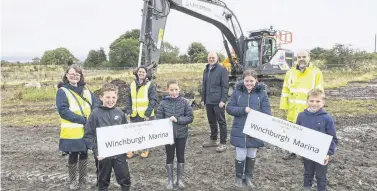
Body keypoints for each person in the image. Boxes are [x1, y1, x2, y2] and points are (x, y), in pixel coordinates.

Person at [226, 69, 271, 188]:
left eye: (252, 81)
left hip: (255, 130)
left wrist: (257, 115)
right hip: (239, 129)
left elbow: (267, 112)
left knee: (251, 154)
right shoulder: (237, 92)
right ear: (243, 80)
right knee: (240, 155)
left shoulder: (262, 94)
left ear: (256, 80)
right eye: (247, 81)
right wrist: (243, 110)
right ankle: (238, 177)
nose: (249, 83)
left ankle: (249, 177)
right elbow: (229, 108)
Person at [55, 65, 98, 190]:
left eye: (77, 75)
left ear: (81, 76)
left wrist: (91, 119)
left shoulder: (86, 90)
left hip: (86, 130)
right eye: (72, 74)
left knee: (84, 154)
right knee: (73, 155)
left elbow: (95, 104)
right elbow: (63, 111)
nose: (75, 76)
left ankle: (83, 180)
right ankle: (73, 181)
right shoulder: (62, 91)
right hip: (72, 131)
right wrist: (83, 120)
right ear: (67, 76)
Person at [84, 83, 131, 191]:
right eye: (107, 97)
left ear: (117, 97)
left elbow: (126, 132)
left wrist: (128, 146)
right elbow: (88, 135)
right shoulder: (95, 114)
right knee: (103, 181)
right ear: (101, 97)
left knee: (125, 179)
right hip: (103, 156)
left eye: (113, 97)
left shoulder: (119, 113)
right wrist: (97, 151)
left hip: (119, 154)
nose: (111, 100)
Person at [280, 49, 324, 160]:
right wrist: (284, 106)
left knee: (308, 132)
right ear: (296, 59)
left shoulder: (316, 72)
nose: (301, 59)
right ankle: (292, 152)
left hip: (308, 110)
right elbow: (285, 90)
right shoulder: (290, 72)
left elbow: (319, 92)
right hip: (293, 110)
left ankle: (307, 154)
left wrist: (316, 108)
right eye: (299, 57)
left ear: (309, 57)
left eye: (304, 57)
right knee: (292, 132)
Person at [296, 88, 338, 191]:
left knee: (321, 176)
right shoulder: (301, 116)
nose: (314, 104)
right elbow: (296, 132)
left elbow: (333, 138)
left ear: (323, 102)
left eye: (318, 101)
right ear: (307, 101)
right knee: (308, 173)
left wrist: (328, 153)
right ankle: (307, 188)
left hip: (321, 154)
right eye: (311, 101)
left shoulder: (327, 118)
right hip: (307, 151)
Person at [156, 80, 194, 190]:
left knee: (181, 156)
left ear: (179, 89)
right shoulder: (163, 103)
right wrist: (166, 121)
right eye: (171, 90)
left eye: (176, 89)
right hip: (168, 136)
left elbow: (190, 117)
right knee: (169, 156)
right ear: (167, 90)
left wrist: (178, 120)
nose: (174, 92)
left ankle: (180, 179)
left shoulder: (185, 102)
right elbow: (159, 119)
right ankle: (170, 181)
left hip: (182, 134)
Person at [124, 66, 157, 159]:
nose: (141, 73)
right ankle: (132, 150)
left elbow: (153, 100)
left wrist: (148, 113)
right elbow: (129, 98)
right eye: (139, 72)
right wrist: (129, 110)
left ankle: (145, 149)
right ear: (137, 73)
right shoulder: (132, 84)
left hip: (145, 115)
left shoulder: (150, 85)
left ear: (146, 74)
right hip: (134, 114)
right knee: (133, 133)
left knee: (145, 133)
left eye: (143, 72)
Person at [201, 51, 229, 153]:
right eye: (210, 58)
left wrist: (223, 100)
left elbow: (225, 86)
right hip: (208, 101)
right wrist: (203, 99)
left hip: (218, 101)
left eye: (213, 58)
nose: (211, 59)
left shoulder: (222, 70)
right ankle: (213, 140)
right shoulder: (206, 70)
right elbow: (204, 86)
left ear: (217, 58)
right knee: (211, 121)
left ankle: (223, 143)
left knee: (221, 122)